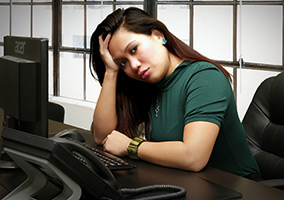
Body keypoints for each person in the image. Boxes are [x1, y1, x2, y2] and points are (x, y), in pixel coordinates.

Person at [89, 7, 259, 177]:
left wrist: (131, 146)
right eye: (123, 63)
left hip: (236, 187)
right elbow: (103, 137)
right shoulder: (149, 84)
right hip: (185, 182)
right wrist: (111, 72)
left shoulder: (205, 78)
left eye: (134, 49)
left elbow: (193, 157)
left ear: (158, 35)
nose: (133, 65)